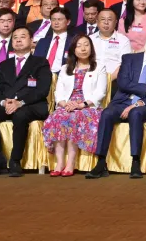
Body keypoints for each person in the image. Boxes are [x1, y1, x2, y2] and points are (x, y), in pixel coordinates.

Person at [86, 30, 146, 179]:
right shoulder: (129, 59)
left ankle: (135, 161)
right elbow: (123, 83)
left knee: (136, 113)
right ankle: (100, 161)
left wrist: (138, 104)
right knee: (107, 113)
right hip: (123, 101)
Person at [0, 27, 53, 177]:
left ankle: (15, 160)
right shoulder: (4, 64)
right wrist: (3, 102)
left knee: (20, 115)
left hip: (31, 105)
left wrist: (20, 102)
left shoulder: (41, 62)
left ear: (31, 41)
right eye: (15, 37)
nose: (18, 40)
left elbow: (42, 90)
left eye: (23, 37)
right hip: (7, 105)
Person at [43, 34, 108, 176]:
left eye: (86, 45)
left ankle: (71, 163)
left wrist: (81, 105)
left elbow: (100, 93)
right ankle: (59, 163)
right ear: (73, 49)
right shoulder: (65, 68)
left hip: (88, 107)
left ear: (91, 47)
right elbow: (58, 92)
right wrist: (66, 104)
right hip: (67, 105)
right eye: (79, 46)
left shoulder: (99, 67)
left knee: (73, 118)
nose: (83, 49)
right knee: (58, 117)